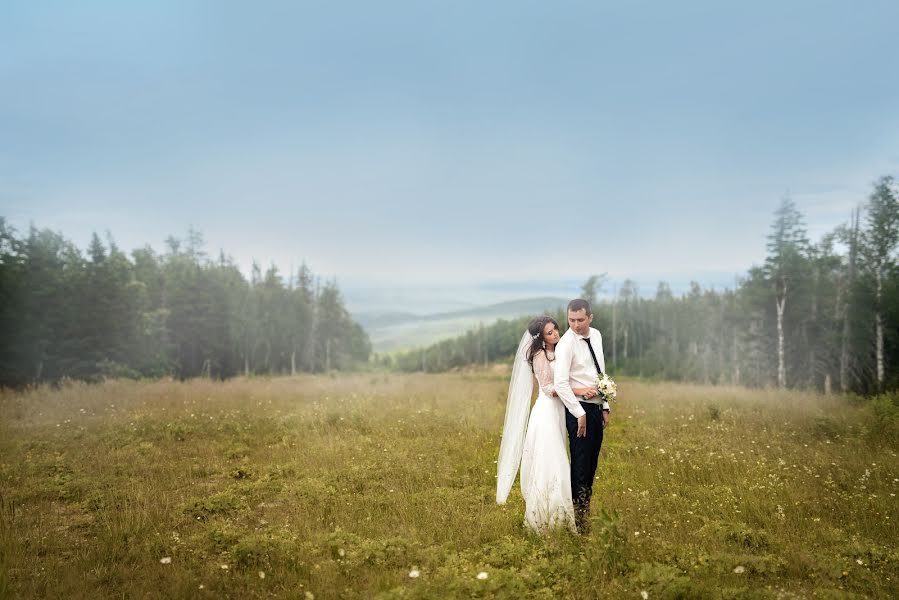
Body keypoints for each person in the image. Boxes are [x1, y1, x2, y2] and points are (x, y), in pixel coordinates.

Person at [496, 315, 600, 533]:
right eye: (549, 333)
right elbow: (549, 388)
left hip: (561, 411)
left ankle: (562, 514)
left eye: (556, 330)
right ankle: (546, 518)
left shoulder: (560, 349)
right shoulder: (539, 355)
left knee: (559, 457)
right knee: (553, 462)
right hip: (547, 412)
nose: (556, 334)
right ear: (540, 337)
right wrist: (579, 391)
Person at [553, 298, 610, 533]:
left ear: (590, 318)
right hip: (578, 410)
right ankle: (579, 523)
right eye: (571, 320)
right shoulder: (566, 344)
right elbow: (560, 383)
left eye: (580, 320)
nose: (575, 325)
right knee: (580, 466)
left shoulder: (595, 335)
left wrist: (605, 405)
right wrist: (578, 413)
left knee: (592, 464)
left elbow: (601, 372)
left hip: (596, 408)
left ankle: (584, 512)